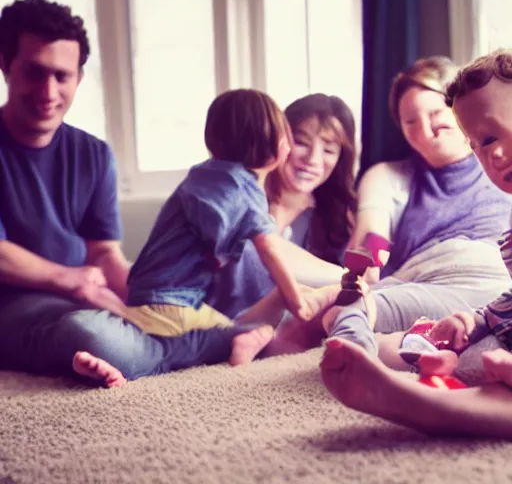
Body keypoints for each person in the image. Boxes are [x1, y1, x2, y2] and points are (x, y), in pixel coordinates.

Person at [0, 0, 298, 388]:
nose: (48, 91)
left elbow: (104, 253)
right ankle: (193, 347)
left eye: (62, 76)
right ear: (5, 65)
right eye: (34, 73)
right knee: (87, 333)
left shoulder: (93, 154)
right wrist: (71, 280)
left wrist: (144, 303)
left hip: (88, 295)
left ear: (79, 77)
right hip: (18, 305)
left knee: (143, 324)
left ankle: (159, 351)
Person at [320, 49, 512, 440]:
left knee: (471, 357)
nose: (490, 153)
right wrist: (478, 319)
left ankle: (427, 396)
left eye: (435, 113)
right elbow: (371, 236)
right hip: (428, 281)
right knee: (472, 353)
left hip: (475, 276)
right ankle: (421, 396)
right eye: (411, 121)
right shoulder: (392, 176)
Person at [121, 88, 339, 341]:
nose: (290, 147)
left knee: (226, 324)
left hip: (141, 294)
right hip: (175, 304)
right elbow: (270, 253)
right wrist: (297, 302)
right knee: (233, 336)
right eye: (290, 138)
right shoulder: (244, 193)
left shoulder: (203, 175)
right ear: (269, 144)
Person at [207, 93, 357, 349]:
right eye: (301, 142)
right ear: (278, 141)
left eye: (329, 150)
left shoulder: (336, 216)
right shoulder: (237, 191)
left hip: (276, 328)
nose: (313, 159)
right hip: (209, 315)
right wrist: (348, 278)